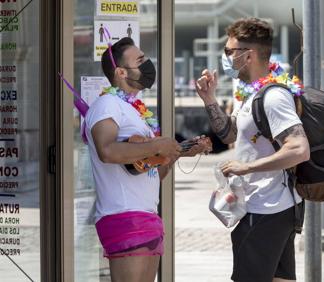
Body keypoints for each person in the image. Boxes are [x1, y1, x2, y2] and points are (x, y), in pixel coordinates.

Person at [196, 18, 310, 282]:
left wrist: (246, 167)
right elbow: (230, 134)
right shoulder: (252, 93)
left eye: (229, 52)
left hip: (267, 208)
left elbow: (299, 149)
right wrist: (210, 99)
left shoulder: (273, 97)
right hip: (271, 206)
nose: (225, 58)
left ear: (248, 55)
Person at [85, 37, 204, 282]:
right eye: (140, 60)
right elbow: (106, 150)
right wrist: (157, 144)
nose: (148, 64)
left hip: (146, 215)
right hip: (124, 215)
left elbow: (152, 173)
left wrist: (174, 154)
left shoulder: (134, 110)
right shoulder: (107, 104)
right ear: (120, 72)